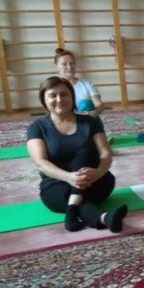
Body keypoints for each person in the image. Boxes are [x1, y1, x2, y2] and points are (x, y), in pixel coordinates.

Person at [26, 76, 128, 233]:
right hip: (56, 184)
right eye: (53, 95)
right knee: (80, 200)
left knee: (85, 153)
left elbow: (105, 152)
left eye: (64, 94)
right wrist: (69, 177)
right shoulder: (37, 127)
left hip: (95, 181)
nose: (59, 99)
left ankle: (72, 211)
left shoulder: (90, 122)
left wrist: (98, 172)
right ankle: (105, 218)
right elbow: (41, 162)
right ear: (44, 100)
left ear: (72, 97)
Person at [54, 48, 107, 117]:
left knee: (85, 104)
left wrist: (92, 113)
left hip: (87, 120)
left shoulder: (87, 84)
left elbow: (99, 105)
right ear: (57, 66)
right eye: (64, 64)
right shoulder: (53, 87)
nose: (69, 67)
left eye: (72, 63)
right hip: (65, 121)